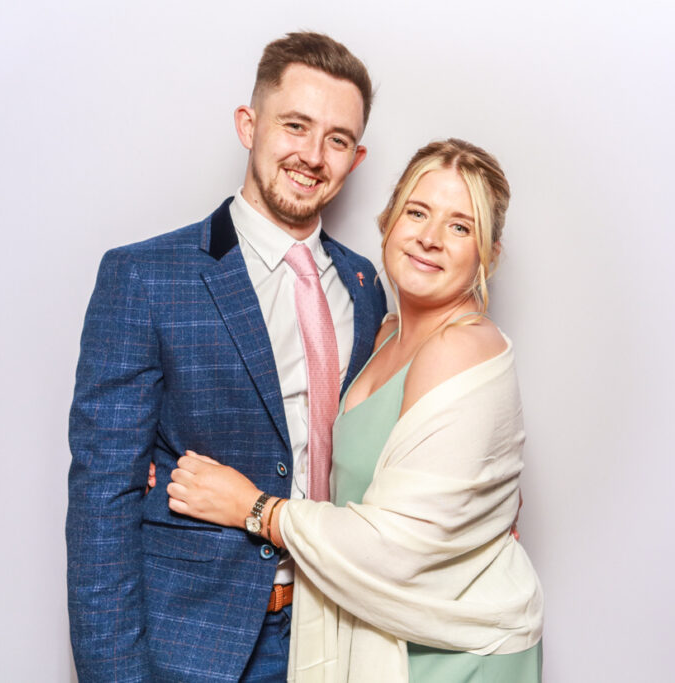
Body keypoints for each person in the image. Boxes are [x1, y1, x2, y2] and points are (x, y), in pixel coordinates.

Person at [66, 32, 387, 681]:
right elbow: (103, 506)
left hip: (339, 634)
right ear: (249, 124)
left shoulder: (367, 287)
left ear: (356, 158)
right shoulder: (147, 278)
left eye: (337, 138)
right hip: (192, 647)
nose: (312, 155)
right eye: (295, 125)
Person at [166, 139, 544, 682]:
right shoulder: (386, 332)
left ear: (489, 254)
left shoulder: (458, 347)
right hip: (394, 632)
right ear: (388, 220)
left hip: (455, 650)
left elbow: (395, 550)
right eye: (417, 212)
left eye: (461, 227)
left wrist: (252, 508)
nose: (430, 239)